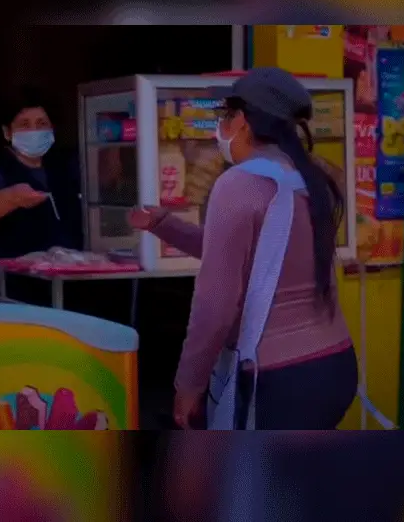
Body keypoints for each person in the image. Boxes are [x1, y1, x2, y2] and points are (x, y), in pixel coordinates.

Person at [128, 67, 358, 430]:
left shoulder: (237, 184)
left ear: (244, 122)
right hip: (335, 366)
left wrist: (189, 384)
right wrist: (164, 225)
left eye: (226, 115)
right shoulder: (314, 178)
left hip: (279, 379)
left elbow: (215, 305)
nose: (221, 125)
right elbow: (252, 255)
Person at [0, 89, 79, 301]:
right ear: (7, 132)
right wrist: (12, 197)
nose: (34, 131)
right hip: (15, 289)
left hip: (67, 287)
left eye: (41, 124)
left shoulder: (63, 166)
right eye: (25, 125)